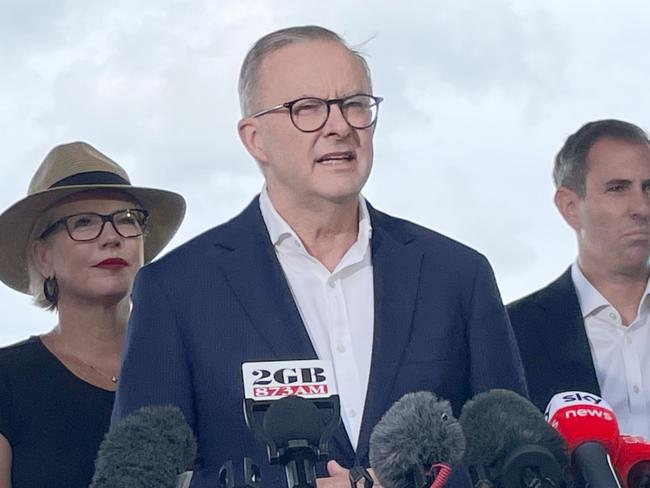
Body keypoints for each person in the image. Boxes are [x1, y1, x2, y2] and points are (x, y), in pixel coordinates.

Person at [113, 25, 526, 487]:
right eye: (306, 108)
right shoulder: (178, 289)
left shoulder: (457, 276)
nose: (340, 126)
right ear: (255, 139)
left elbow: (517, 466)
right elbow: (140, 479)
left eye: (354, 104)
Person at [0, 141, 185, 488]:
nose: (112, 237)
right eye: (83, 223)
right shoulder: (8, 380)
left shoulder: (191, 370)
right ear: (43, 256)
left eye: (126, 220)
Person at [508, 119, 650, 437]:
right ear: (570, 207)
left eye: (649, 187)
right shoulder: (513, 332)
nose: (641, 207)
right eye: (618, 188)